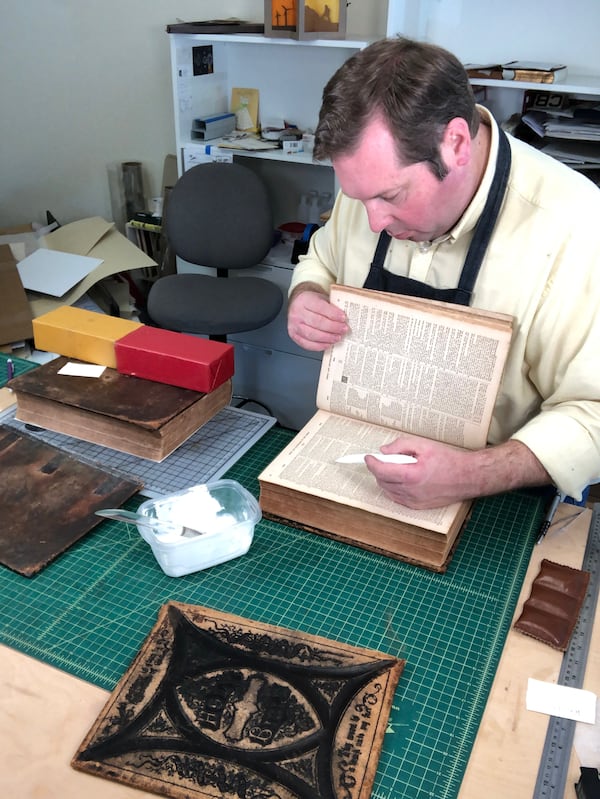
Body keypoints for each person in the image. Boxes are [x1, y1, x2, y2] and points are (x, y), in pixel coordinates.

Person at [287, 36, 600, 510]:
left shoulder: (573, 228)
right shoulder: (373, 185)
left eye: (390, 198)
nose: (373, 223)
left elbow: (592, 412)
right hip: (358, 463)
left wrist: (474, 473)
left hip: (496, 496)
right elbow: (323, 258)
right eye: (358, 197)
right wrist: (306, 294)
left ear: (454, 143)